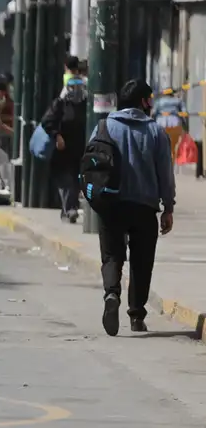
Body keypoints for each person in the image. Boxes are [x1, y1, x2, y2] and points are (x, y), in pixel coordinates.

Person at [94, 80, 175, 336]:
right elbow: (165, 174)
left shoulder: (104, 125)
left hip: (111, 203)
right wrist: (168, 207)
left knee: (111, 255)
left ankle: (111, 294)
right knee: (142, 262)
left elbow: (91, 162)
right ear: (143, 102)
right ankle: (136, 316)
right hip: (144, 206)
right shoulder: (155, 132)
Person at [40, 77, 87, 223]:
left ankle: (67, 210)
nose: (75, 91)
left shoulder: (86, 105)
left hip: (80, 150)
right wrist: (57, 136)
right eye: (72, 88)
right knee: (66, 182)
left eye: (79, 88)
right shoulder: (59, 104)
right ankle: (70, 210)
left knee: (76, 181)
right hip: (62, 150)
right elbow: (47, 122)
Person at [151, 88, 187, 161]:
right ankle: (171, 164)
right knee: (173, 146)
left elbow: (153, 113)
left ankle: (161, 163)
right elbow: (184, 113)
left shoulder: (159, 101)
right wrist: (185, 125)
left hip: (161, 123)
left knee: (161, 146)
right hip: (175, 123)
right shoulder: (178, 101)